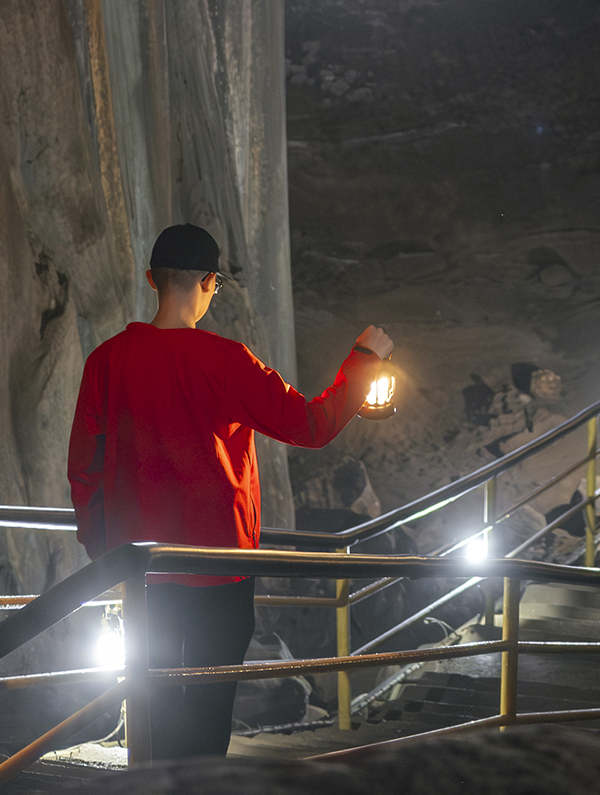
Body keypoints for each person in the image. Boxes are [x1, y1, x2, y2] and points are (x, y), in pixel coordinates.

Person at [67, 223, 394, 760]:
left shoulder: (105, 361)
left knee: (150, 703)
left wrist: (102, 551)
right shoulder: (226, 361)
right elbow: (310, 426)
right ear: (210, 283)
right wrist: (363, 360)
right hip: (218, 571)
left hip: (140, 571)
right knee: (209, 709)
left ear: (153, 279)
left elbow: (84, 468)